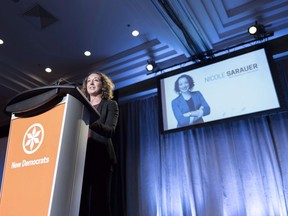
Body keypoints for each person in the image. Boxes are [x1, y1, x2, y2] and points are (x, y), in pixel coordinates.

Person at [79, 72, 119, 216]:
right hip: (81, 159)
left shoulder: (110, 105)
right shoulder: (79, 107)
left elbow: (110, 131)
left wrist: (90, 121)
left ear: (103, 85)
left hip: (101, 158)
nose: (91, 83)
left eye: (96, 80)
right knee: (79, 201)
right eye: (88, 80)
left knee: (99, 202)